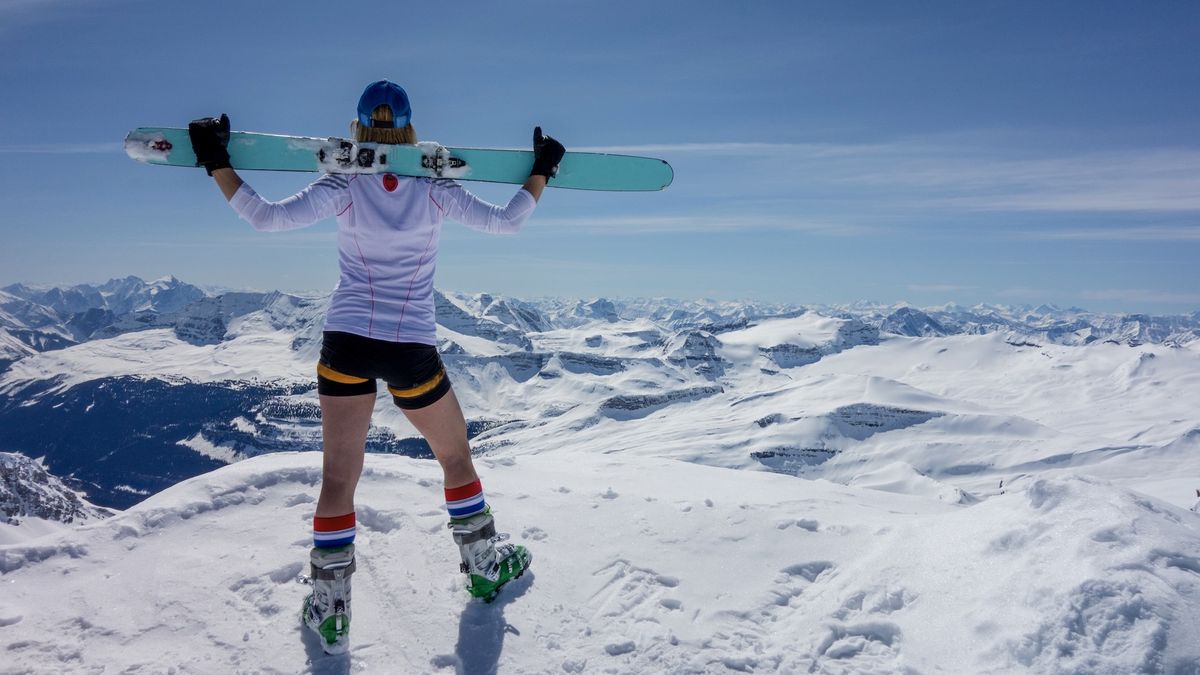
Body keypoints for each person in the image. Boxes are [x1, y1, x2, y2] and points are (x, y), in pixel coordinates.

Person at [188, 80, 565, 655]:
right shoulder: (435, 187)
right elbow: (506, 222)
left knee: (339, 478)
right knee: (455, 456)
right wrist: (540, 171)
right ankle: (485, 565)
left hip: (345, 344)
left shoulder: (343, 183)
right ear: (410, 127)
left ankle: (331, 610)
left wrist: (216, 160)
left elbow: (265, 218)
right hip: (409, 346)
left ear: (359, 127)